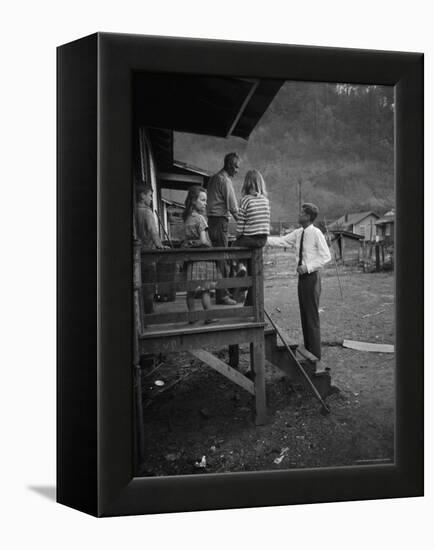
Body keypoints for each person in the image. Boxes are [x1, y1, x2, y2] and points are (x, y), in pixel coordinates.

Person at [267, 203, 331, 360]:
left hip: (312, 277)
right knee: (304, 315)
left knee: (311, 317)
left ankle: (315, 355)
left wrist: (307, 267)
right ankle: (309, 352)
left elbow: (326, 256)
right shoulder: (298, 233)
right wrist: (263, 238)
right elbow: (282, 241)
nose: (299, 214)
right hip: (302, 279)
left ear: (308, 216)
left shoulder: (316, 233)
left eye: (302, 212)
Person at [182, 186, 220, 325]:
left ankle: (192, 317)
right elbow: (204, 241)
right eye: (202, 200)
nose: (205, 203)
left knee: (191, 290)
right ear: (193, 201)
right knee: (205, 290)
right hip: (203, 259)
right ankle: (208, 317)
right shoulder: (200, 219)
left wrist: (191, 244)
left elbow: (186, 241)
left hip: (192, 260)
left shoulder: (187, 218)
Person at [206, 152, 240, 305]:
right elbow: (233, 208)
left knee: (218, 258)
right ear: (229, 165)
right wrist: (244, 224)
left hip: (212, 221)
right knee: (222, 258)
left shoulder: (213, 178)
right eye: (236, 167)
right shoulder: (225, 180)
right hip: (220, 222)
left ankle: (220, 291)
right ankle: (222, 295)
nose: (237, 170)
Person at [233, 169, 270, 306]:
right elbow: (266, 221)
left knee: (234, 246)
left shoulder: (245, 200)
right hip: (262, 240)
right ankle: (250, 304)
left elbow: (241, 222)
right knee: (255, 273)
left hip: (249, 238)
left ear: (246, 184)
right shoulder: (265, 201)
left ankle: (241, 267)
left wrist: (238, 235)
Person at [135, 183, 164, 314]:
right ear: (142, 196)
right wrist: (159, 245)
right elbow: (152, 231)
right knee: (149, 285)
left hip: (137, 254)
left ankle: (140, 312)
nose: (151, 199)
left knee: (139, 285)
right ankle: (149, 313)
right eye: (150, 196)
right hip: (148, 254)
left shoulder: (134, 210)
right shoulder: (147, 212)